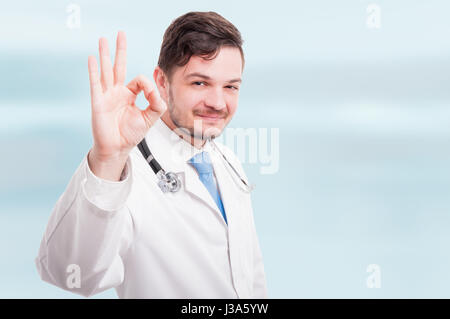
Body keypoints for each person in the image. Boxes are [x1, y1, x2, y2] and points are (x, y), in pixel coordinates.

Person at [35, 11, 268, 299]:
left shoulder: (228, 162)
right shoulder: (123, 172)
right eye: (199, 83)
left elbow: (251, 276)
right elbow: (70, 274)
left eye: (231, 86)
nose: (218, 102)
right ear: (161, 82)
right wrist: (107, 159)